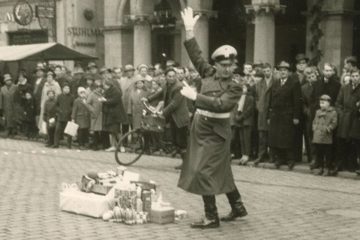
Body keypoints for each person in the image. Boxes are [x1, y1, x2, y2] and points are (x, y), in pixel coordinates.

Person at [177, 7, 247, 229]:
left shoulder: (236, 86)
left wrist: (195, 96)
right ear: (216, 65)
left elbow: (221, 105)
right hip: (200, 129)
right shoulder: (208, 73)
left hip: (216, 132)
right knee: (221, 171)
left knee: (203, 171)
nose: (227, 69)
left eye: (231, 65)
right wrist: (189, 30)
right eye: (223, 65)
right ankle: (237, 207)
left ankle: (211, 216)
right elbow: (196, 54)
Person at [146, 68, 190, 168]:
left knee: (181, 141)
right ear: (166, 77)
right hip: (173, 117)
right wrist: (148, 98)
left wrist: (163, 112)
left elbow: (174, 104)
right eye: (169, 76)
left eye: (173, 76)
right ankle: (186, 162)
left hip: (180, 118)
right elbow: (160, 93)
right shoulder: (166, 85)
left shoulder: (179, 87)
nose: (171, 78)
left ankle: (187, 164)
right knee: (175, 140)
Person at [267, 61, 302, 170]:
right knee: (277, 138)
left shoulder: (294, 83)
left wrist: (296, 116)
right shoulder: (276, 83)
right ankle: (280, 159)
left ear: (289, 72)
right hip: (276, 115)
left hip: (288, 115)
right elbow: (271, 100)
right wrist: (269, 115)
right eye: (281, 70)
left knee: (288, 138)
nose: (283, 72)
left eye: (285, 70)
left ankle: (290, 159)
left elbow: (297, 102)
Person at [334, 68, 360, 174]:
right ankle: (341, 164)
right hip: (345, 118)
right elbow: (338, 103)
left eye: (357, 76)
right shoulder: (344, 88)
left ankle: (352, 164)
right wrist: (341, 114)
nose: (354, 78)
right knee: (342, 141)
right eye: (353, 76)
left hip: (356, 119)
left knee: (353, 142)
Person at [312, 95, 337, 175]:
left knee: (327, 153)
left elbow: (334, 123)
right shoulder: (317, 112)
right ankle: (320, 167)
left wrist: (328, 129)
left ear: (329, 103)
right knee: (319, 153)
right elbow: (314, 121)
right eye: (320, 103)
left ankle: (327, 168)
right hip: (318, 136)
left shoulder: (333, 112)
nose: (321, 105)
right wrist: (315, 128)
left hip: (326, 136)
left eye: (323, 103)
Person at [101, 79, 128, 152]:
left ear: (108, 85)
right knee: (111, 131)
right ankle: (113, 146)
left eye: (104, 85)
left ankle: (121, 146)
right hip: (110, 114)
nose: (104, 87)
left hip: (116, 115)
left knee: (117, 131)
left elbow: (114, 101)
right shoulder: (108, 91)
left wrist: (105, 100)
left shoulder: (116, 92)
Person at [254, 65, 273, 165]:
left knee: (271, 135)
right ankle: (261, 155)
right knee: (262, 135)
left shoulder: (275, 82)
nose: (266, 72)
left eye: (268, 70)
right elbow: (256, 97)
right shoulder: (259, 83)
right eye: (265, 71)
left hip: (271, 111)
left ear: (272, 70)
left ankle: (271, 155)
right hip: (262, 112)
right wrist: (258, 106)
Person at [235, 84, 255, 165]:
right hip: (240, 121)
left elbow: (249, 110)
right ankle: (243, 154)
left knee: (247, 139)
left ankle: (247, 155)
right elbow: (237, 107)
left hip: (247, 121)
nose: (243, 89)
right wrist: (237, 116)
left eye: (244, 87)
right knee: (242, 138)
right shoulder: (240, 97)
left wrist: (241, 117)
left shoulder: (250, 98)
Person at [38, 71, 61, 135]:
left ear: (53, 78)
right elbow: (43, 95)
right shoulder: (45, 85)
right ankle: (44, 133)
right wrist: (42, 104)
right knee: (44, 119)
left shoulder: (56, 85)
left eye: (50, 77)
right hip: (45, 104)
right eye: (48, 77)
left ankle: (52, 134)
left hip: (53, 105)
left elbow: (58, 95)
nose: (49, 78)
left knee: (52, 120)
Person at [85, 78, 104, 150]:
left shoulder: (102, 94)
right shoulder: (92, 94)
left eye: (100, 87)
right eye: (97, 87)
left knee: (101, 130)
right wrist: (92, 110)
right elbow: (87, 103)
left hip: (101, 115)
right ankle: (94, 145)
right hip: (95, 115)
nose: (99, 88)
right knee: (94, 130)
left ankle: (100, 144)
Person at [53, 84, 74, 149]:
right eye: (65, 88)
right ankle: (56, 144)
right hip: (60, 116)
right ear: (62, 89)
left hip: (68, 116)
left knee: (69, 131)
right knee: (57, 130)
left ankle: (69, 144)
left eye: (68, 88)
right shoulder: (59, 96)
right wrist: (59, 111)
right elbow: (56, 106)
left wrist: (70, 111)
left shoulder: (72, 97)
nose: (67, 90)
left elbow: (73, 106)